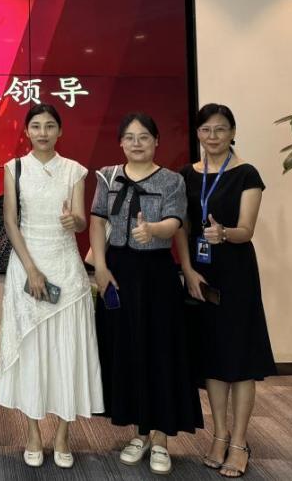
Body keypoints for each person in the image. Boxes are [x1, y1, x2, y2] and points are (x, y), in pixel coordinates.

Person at [90, 112, 202, 475]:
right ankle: (139, 432)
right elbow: (98, 221)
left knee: (159, 351)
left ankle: (161, 438)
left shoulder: (171, 180)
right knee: (127, 349)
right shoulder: (108, 176)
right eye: (130, 137)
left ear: (156, 141)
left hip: (156, 275)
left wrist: (153, 229)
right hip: (118, 272)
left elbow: (175, 223)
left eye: (144, 137)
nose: (136, 143)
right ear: (120, 142)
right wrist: (101, 268)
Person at [0, 104, 104, 469]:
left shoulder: (74, 170)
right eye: (36, 126)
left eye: (50, 126)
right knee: (32, 351)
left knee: (67, 351)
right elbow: (11, 221)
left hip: (66, 269)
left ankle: (62, 436)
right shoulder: (14, 167)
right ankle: (32, 434)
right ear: (27, 131)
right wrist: (31, 270)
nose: (43, 132)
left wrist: (75, 221)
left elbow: (81, 221)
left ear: (60, 131)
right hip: (27, 267)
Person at [178, 103, 273, 478]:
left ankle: (240, 443)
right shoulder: (187, 174)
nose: (213, 136)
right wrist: (187, 269)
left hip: (236, 275)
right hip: (201, 274)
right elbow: (183, 228)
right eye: (206, 130)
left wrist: (224, 234)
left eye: (220, 129)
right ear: (197, 133)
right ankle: (219, 436)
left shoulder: (246, 174)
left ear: (233, 132)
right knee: (214, 358)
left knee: (240, 360)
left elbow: (247, 229)